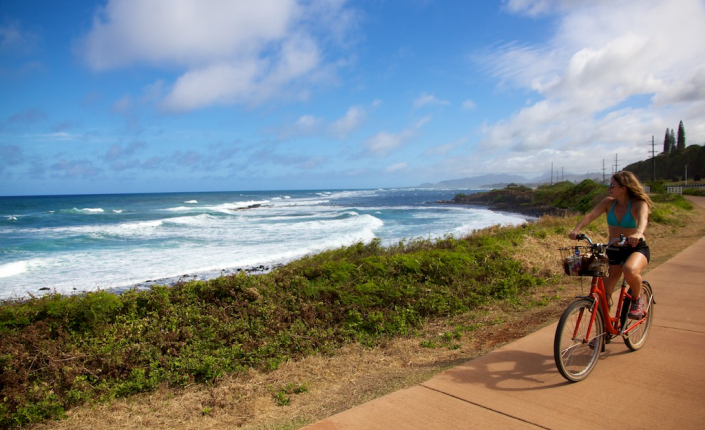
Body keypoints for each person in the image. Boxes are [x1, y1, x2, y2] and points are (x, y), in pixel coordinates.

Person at [569, 171, 652, 319]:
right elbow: (590, 216)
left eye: (612, 185)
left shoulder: (639, 203)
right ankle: (603, 333)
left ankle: (637, 299)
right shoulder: (608, 202)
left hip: (635, 249)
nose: (609, 188)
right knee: (603, 294)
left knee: (629, 270)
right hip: (613, 249)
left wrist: (638, 233)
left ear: (623, 188)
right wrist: (576, 230)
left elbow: (642, 219)